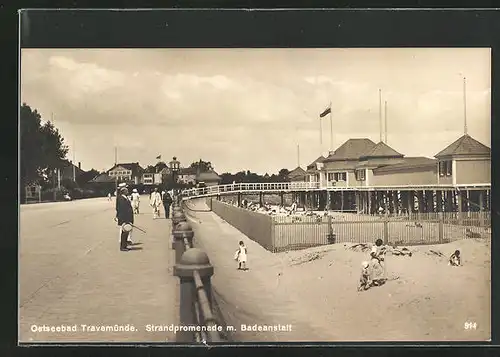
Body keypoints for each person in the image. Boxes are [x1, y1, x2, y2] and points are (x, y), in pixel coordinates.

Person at [116, 185, 134, 251]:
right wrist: (125, 220)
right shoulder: (121, 199)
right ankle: (122, 247)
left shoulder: (125, 198)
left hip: (127, 218)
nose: (128, 192)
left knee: (126, 232)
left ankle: (125, 245)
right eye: (126, 191)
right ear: (123, 192)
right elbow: (122, 210)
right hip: (124, 218)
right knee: (124, 233)